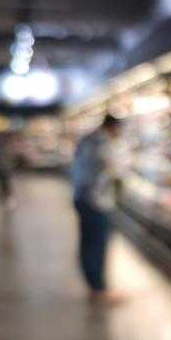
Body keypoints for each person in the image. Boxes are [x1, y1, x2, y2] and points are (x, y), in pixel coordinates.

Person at [71, 113, 123, 304]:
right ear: (113, 127)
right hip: (95, 201)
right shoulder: (102, 143)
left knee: (88, 243)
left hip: (82, 197)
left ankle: (94, 286)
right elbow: (109, 168)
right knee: (97, 244)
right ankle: (98, 288)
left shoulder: (88, 139)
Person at [0, 131, 16, 208]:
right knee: (3, 183)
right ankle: (5, 198)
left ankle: (7, 198)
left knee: (5, 183)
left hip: (3, 167)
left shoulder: (2, 146)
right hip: (0, 167)